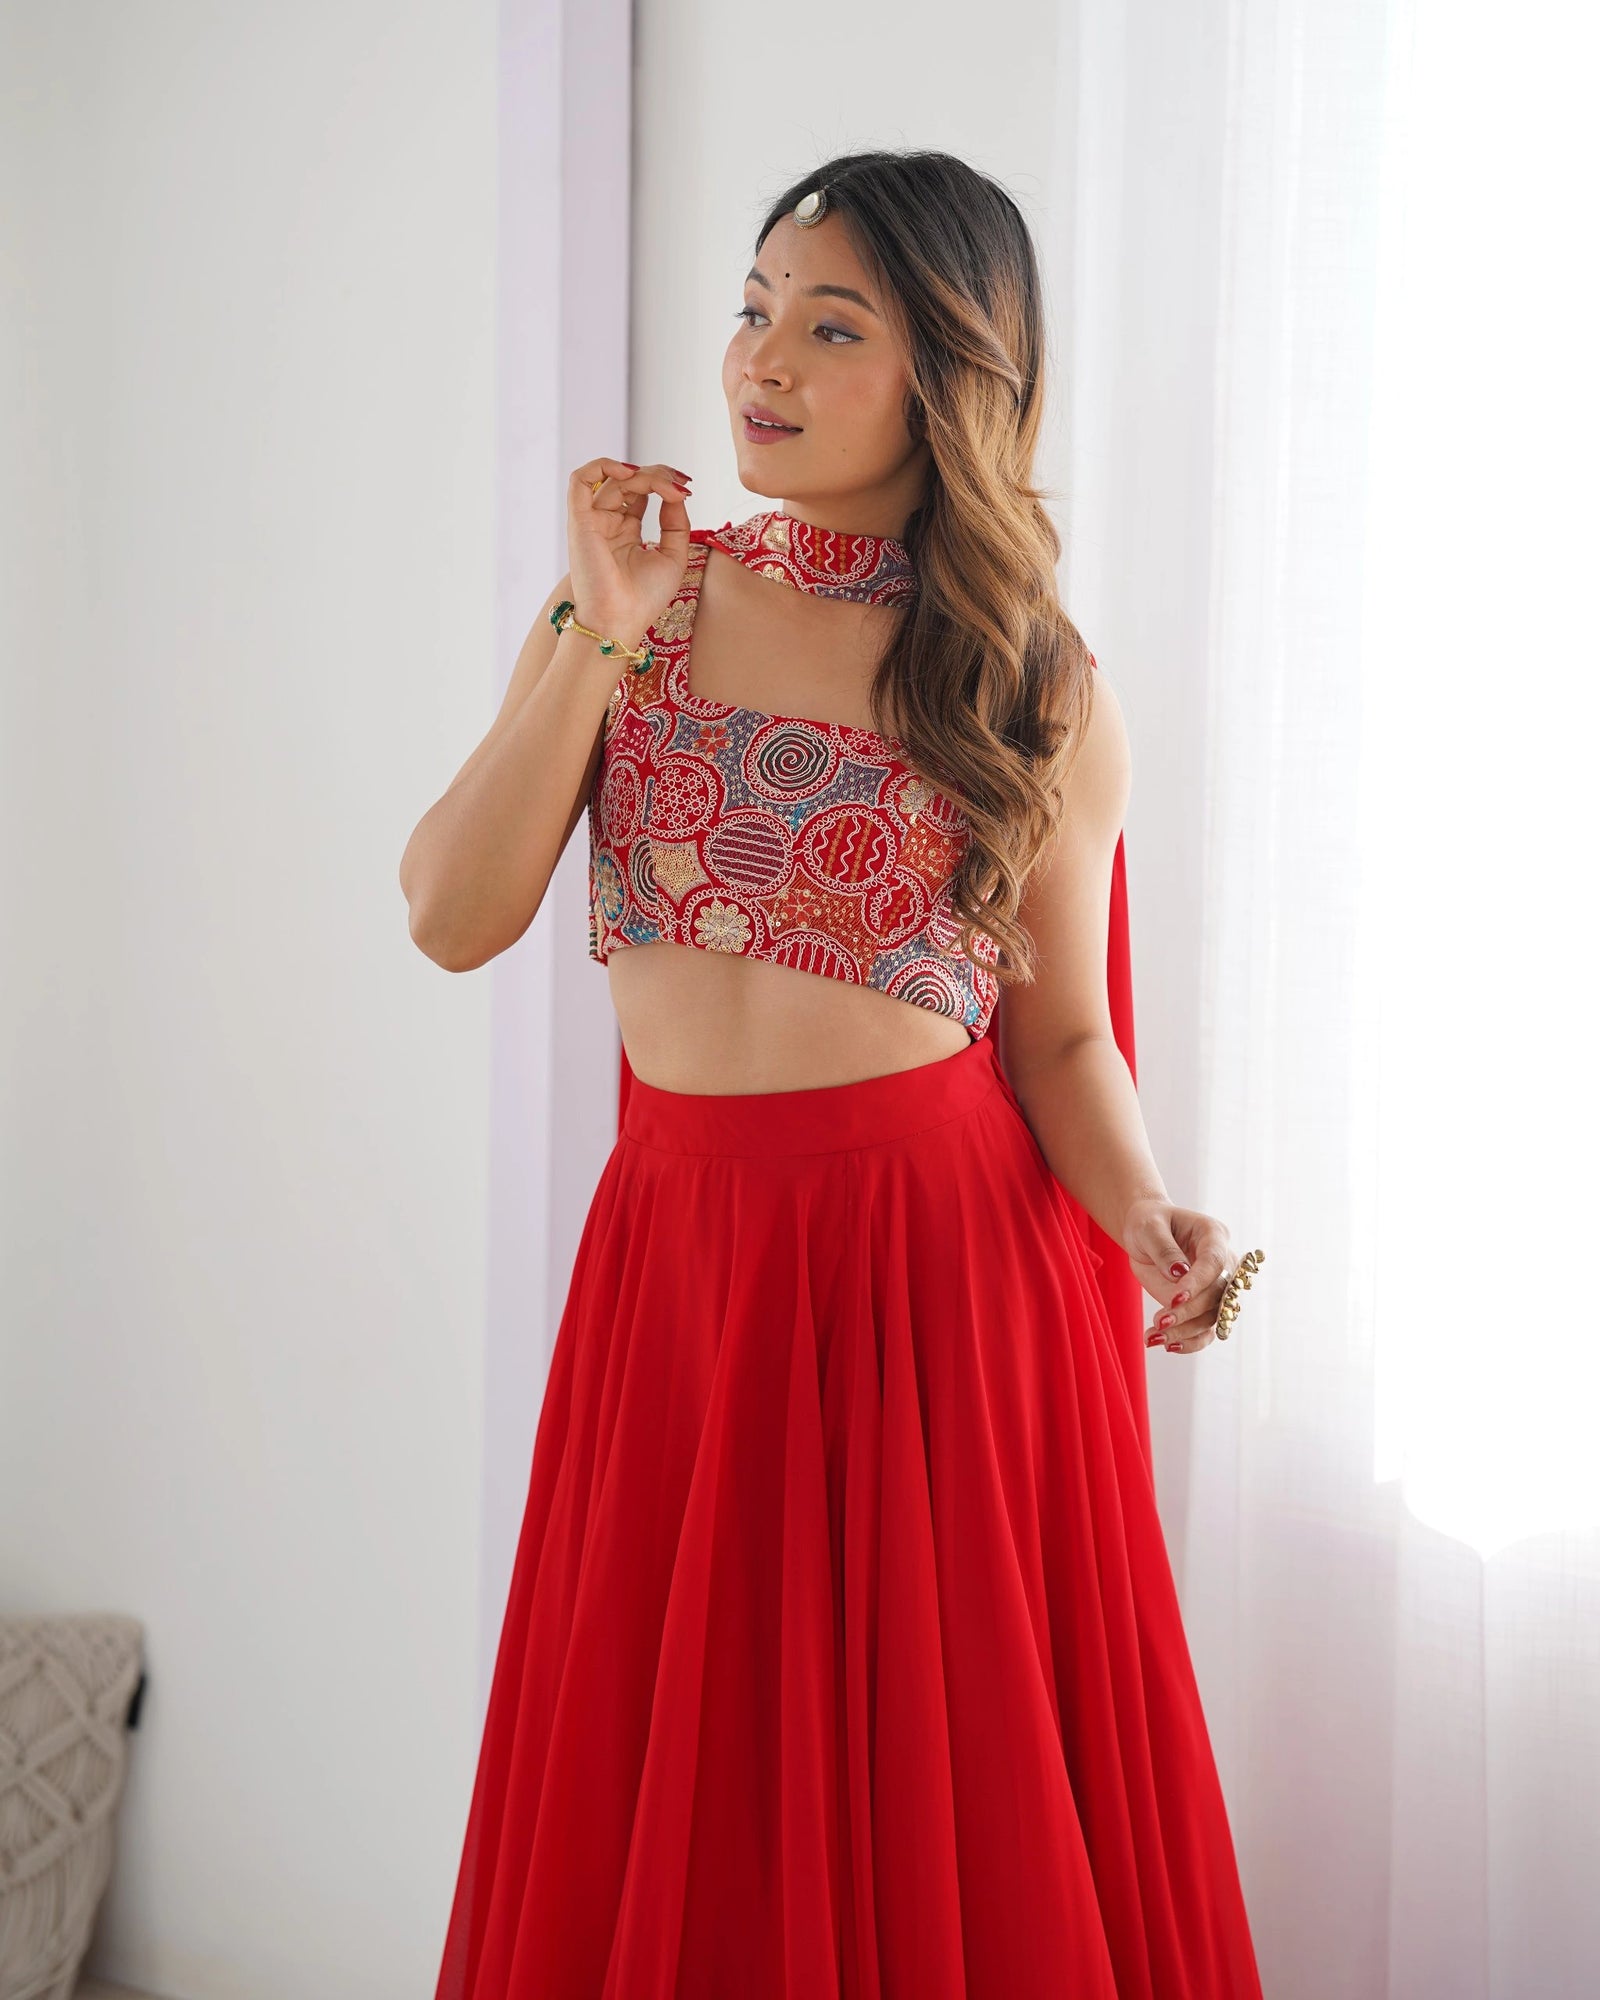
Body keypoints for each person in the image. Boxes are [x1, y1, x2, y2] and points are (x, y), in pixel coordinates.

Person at [402, 148, 1264, 2000]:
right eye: (752, 310)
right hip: (689, 1279)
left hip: (934, 1294)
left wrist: (1140, 1210)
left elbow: (1059, 1032)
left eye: (832, 324)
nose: (761, 361)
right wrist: (593, 636)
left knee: (929, 1811)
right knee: (694, 1792)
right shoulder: (637, 609)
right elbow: (451, 914)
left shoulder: (1029, 677)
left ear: (952, 376)